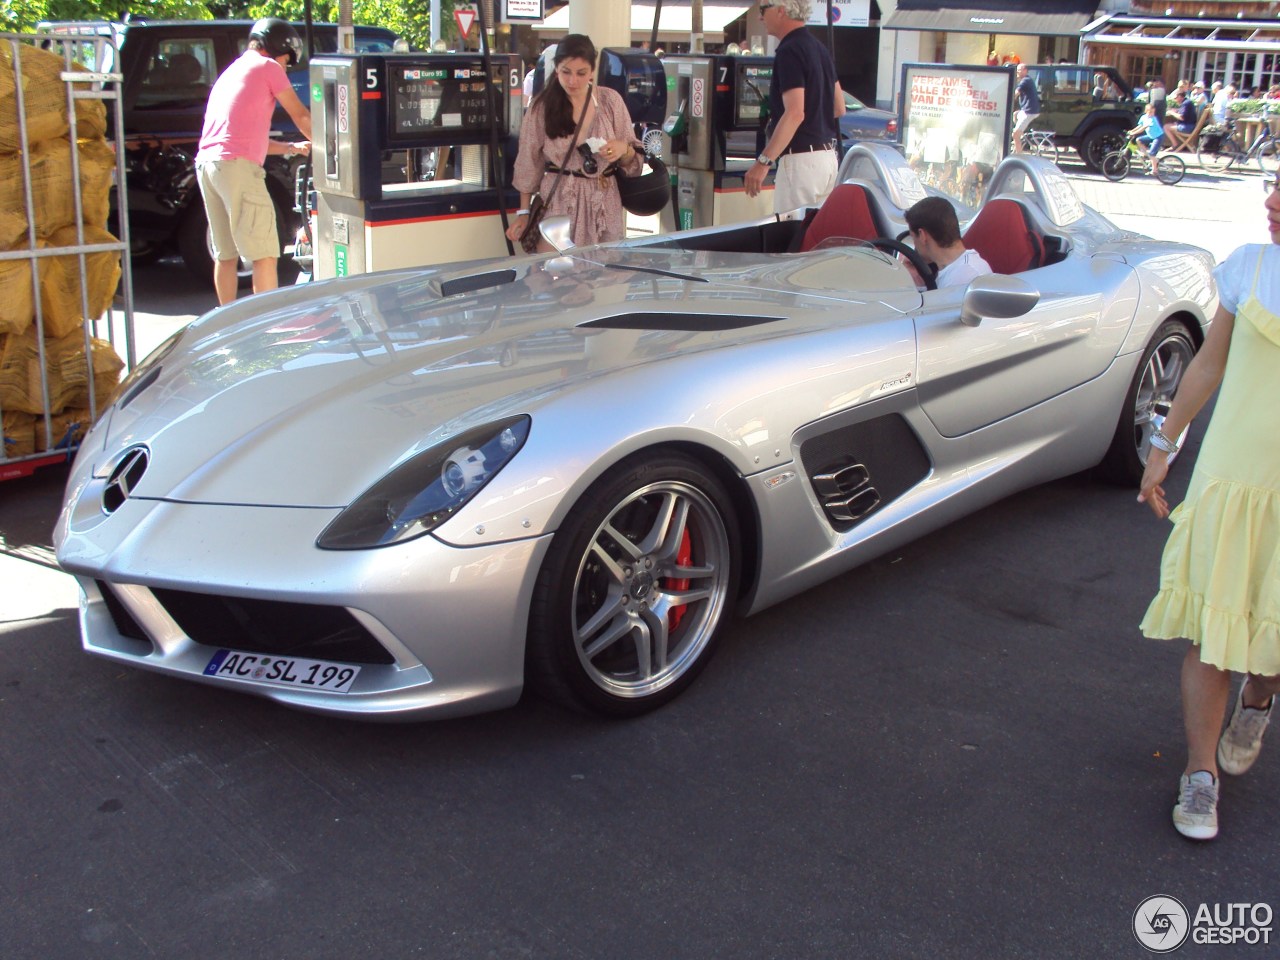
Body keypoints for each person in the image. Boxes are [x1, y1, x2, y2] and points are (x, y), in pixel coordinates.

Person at [1137, 175, 1280, 841]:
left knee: (1271, 638)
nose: (1272, 202)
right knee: (1212, 637)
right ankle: (1201, 774)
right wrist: (1163, 444)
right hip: (1231, 482)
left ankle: (1260, 696)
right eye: (1276, 186)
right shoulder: (1249, 266)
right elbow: (1207, 366)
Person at [195, 18, 312, 305]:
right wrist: (331, 146)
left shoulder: (232, 71)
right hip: (237, 169)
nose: (285, 67)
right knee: (265, 254)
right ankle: (265, 326)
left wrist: (291, 147)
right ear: (277, 50)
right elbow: (301, 116)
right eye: (286, 61)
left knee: (226, 255)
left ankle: (227, 322)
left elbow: (239, 137)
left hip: (208, 166)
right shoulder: (268, 67)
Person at [507, 34, 641, 251]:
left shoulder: (609, 101)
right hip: (560, 200)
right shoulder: (542, 107)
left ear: (592, 71)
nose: (572, 81)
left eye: (581, 73)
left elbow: (634, 159)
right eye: (566, 72)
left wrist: (622, 149)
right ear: (556, 68)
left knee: (604, 277)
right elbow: (528, 161)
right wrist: (523, 213)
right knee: (557, 273)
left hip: (604, 203)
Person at [744, 0, 845, 212]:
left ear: (781, 10)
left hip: (800, 164)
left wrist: (763, 163)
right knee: (816, 240)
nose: (759, 17)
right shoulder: (820, 49)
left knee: (793, 239)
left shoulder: (789, 51)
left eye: (763, 10)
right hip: (827, 159)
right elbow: (839, 108)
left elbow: (795, 113)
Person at [903, 196, 992, 288]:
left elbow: (937, 301)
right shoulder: (955, 269)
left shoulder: (965, 275)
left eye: (913, 237)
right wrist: (918, 282)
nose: (914, 245)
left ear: (922, 236)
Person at [1128, 102, 1166, 172]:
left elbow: (1143, 128)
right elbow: (1140, 126)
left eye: (1153, 112)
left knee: (1152, 153)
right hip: (1151, 136)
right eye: (1150, 112)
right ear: (1146, 111)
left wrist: (1133, 133)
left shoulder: (1152, 119)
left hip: (1158, 137)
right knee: (1138, 140)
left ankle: (1154, 170)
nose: (1152, 114)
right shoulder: (1143, 117)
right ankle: (1146, 155)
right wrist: (1131, 131)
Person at [1011, 64, 1040, 153]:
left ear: (1025, 70)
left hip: (1029, 111)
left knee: (1015, 135)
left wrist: (1008, 100)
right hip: (1027, 110)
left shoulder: (1025, 81)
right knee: (1015, 114)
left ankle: (1019, 157)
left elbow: (1016, 93)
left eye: (1019, 70)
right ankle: (1021, 135)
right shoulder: (1027, 80)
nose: (1017, 72)